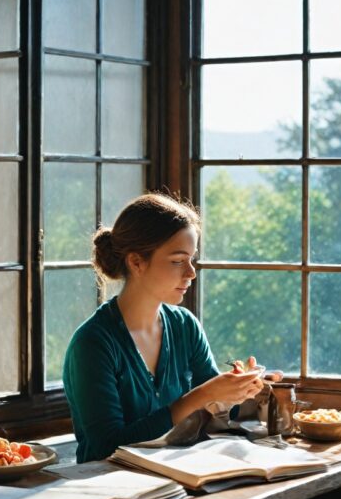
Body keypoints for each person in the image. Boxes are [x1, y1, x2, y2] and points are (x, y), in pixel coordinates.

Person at [63, 193, 282, 463]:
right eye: (178, 260)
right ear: (136, 262)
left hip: (179, 477)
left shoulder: (185, 326)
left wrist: (244, 390)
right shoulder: (93, 344)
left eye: (191, 259)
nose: (191, 272)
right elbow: (104, 448)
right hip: (108, 490)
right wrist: (201, 396)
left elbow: (218, 410)